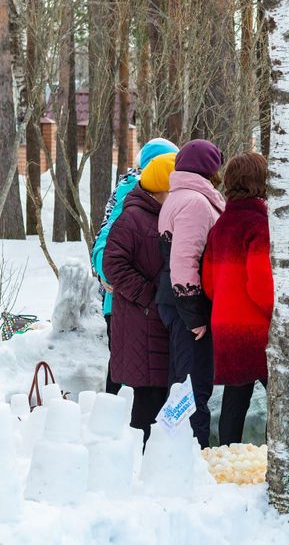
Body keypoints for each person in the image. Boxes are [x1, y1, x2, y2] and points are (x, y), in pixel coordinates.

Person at [92, 137, 179, 394]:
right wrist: (107, 274)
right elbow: (105, 241)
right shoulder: (132, 193)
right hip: (128, 304)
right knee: (129, 377)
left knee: (135, 375)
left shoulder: (157, 195)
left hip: (140, 303)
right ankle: (113, 415)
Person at [102, 153, 177, 443]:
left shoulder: (161, 215)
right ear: (160, 187)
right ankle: (140, 458)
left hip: (155, 321)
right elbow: (113, 265)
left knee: (158, 393)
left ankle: (151, 456)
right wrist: (149, 297)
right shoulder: (132, 218)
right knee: (148, 396)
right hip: (139, 321)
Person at [157, 139, 225, 448]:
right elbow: (184, 260)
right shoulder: (195, 202)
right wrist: (194, 315)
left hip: (177, 301)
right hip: (187, 304)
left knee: (182, 381)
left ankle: (175, 448)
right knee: (194, 384)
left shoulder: (179, 196)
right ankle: (193, 451)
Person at [202, 152, 274, 445]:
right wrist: (278, 314)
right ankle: (279, 454)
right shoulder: (259, 225)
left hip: (225, 326)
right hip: (257, 328)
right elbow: (261, 285)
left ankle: (227, 454)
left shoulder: (220, 227)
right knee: (281, 397)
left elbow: (208, 284)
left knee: (235, 398)